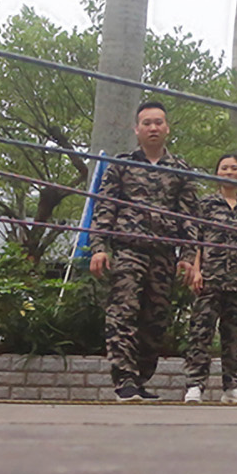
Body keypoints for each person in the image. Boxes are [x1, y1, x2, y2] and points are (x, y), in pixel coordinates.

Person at [90, 100, 200, 402]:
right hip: (128, 251)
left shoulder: (181, 170)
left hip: (164, 255)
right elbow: (105, 208)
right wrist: (100, 247)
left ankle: (139, 379)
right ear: (136, 129)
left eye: (159, 122)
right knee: (123, 315)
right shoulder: (121, 165)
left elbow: (189, 216)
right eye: (147, 123)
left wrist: (189, 257)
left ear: (167, 128)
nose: (153, 127)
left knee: (156, 321)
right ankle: (124, 380)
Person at [183, 153, 237, 405]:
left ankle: (232, 386)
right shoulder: (205, 205)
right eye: (224, 168)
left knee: (233, 335)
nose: (229, 172)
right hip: (209, 278)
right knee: (201, 332)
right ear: (216, 173)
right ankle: (195, 384)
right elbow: (196, 240)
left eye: (234, 168)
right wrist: (196, 270)